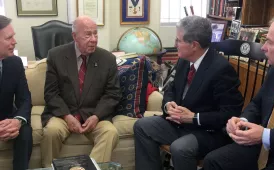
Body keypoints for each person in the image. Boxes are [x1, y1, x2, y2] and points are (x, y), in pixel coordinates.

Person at [134, 16, 244, 170]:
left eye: (179, 40)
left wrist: (194, 118)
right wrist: (168, 105)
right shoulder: (184, 60)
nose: (175, 44)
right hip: (180, 125)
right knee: (142, 126)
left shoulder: (221, 70)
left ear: (194, 45)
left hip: (207, 131)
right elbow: (171, 88)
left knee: (180, 148)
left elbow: (230, 113)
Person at [203, 13, 274, 170]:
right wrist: (243, 122)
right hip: (263, 146)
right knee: (214, 161)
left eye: (269, 42)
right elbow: (257, 103)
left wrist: (265, 135)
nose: (263, 48)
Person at [41, 16, 121, 167]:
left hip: (93, 114)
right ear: (74, 36)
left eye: (95, 34)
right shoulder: (56, 56)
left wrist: (97, 116)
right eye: (88, 35)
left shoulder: (107, 59)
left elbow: (113, 94)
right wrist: (67, 116)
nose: (93, 39)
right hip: (64, 114)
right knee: (51, 131)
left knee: (110, 133)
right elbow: (51, 93)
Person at [0, 15, 32, 170]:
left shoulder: (15, 62)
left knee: (25, 130)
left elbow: (25, 98)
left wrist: (18, 120)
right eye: (9, 38)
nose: (15, 41)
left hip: (7, 114)